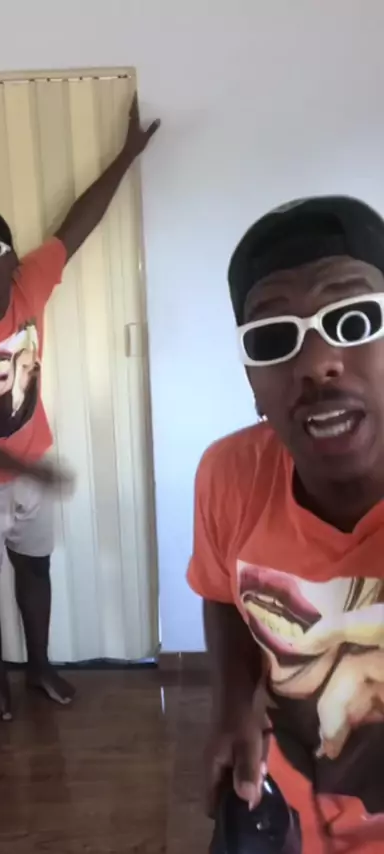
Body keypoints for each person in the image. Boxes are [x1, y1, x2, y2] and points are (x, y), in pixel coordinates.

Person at [0, 96, 160, 722]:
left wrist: (127, 155)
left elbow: (79, 222)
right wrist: (28, 469)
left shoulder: (31, 281)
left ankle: (40, 667)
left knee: (35, 568)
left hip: (29, 466)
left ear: (10, 257)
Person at [188, 196, 384, 854]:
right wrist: (231, 707)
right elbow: (224, 592)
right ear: (251, 379)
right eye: (275, 339)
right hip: (285, 819)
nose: (316, 362)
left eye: (354, 321)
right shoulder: (229, 475)